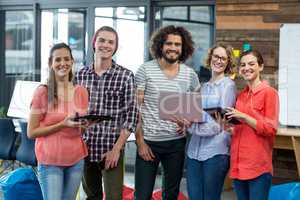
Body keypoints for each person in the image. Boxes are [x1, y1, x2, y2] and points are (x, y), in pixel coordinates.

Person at [134, 25, 200, 200]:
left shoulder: (189, 75)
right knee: (142, 195)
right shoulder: (145, 70)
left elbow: (195, 108)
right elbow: (135, 109)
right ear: (160, 46)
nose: (173, 48)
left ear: (183, 47)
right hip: (149, 143)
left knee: (171, 195)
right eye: (169, 43)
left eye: (177, 44)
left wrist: (188, 123)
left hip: (176, 145)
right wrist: (140, 142)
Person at [75, 26, 138, 200]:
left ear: (115, 47)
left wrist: (117, 149)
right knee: (91, 196)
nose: (106, 45)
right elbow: (73, 112)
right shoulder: (80, 75)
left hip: (112, 148)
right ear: (94, 42)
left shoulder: (125, 76)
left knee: (113, 197)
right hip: (85, 148)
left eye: (111, 42)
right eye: (102, 40)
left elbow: (131, 116)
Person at [27, 42, 89, 200]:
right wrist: (62, 124)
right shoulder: (43, 92)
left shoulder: (81, 91)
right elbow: (31, 132)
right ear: (51, 63)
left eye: (67, 59)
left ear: (72, 61)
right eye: (58, 59)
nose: (63, 63)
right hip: (50, 161)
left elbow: (80, 130)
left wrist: (85, 125)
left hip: (76, 159)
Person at [226, 50, 279, 200]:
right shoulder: (241, 95)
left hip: (258, 167)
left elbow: (270, 129)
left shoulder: (269, 93)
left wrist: (244, 116)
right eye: (242, 65)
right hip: (238, 165)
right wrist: (230, 128)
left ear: (260, 67)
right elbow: (242, 128)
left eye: (251, 64)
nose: (246, 68)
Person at [185, 44, 237, 200]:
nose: (219, 61)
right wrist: (188, 122)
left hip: (216, 153)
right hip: (194, 152)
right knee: (194, 197)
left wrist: (192, 128)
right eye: (216, 56)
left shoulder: (228, 86)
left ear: (228, 62)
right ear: (210, 58)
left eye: (223, 58)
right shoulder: (203, 87)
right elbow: (193, 115)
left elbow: (218, 124)